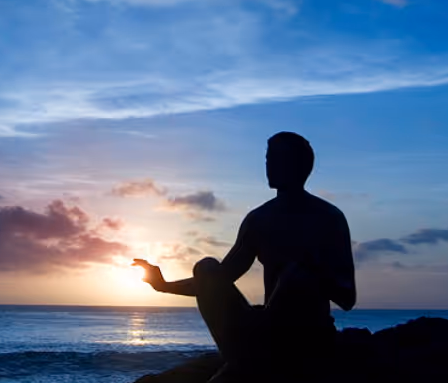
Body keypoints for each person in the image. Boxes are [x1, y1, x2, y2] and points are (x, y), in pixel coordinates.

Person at [133, 132, 356, 370]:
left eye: (278, 158)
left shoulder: (328, 218)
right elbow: (217, 280)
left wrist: (310, 274)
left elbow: (347, 297)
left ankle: (240, 371)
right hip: (267, 328)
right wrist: (163, 285)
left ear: (302, 165)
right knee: (207, 268)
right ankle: (240, 363)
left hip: (308, 332)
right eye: (268, 159)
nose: (270, 166)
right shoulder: (259, 219)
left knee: (295, 275)